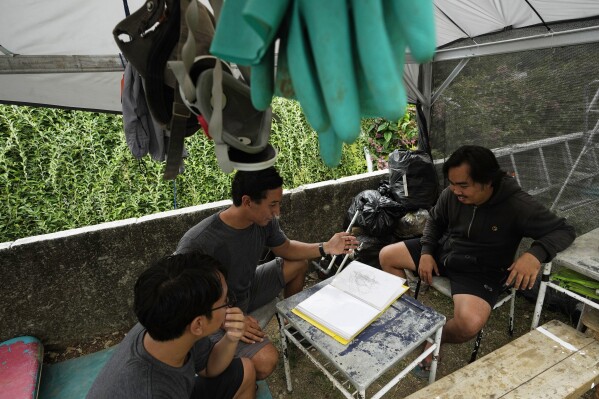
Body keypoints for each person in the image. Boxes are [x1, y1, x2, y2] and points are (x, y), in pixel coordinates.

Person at [379, 145, 575, 375]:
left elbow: (564, 230)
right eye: (452, 183)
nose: (455, 191)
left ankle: (434, 338)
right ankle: (408, 320)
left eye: (463, 185)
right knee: (387, 256)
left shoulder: (517, 204)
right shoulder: (451, 195)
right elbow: (435, 219)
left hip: (480, 270)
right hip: (446, 252)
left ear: (488, 181)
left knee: (468, 324)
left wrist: (535, 254)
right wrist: (426, 252)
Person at [175, 166, 359, 379]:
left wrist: (325, 247)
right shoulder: (198, 241)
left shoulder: (263, 222)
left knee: (298, 263)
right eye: (272, 204)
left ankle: (292, 327)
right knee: (266, 361)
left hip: (248, 289)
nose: (277, 212)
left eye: (278, 204)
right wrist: (228, 317)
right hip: (215, 312)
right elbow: (184, 298)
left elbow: (286, 248)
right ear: (247, 201)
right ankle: (232, 378)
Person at [87, 252, 256, 399]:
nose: (229, 306)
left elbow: (208, 367)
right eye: (225, 301)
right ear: (198, 324)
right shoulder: (149, 391)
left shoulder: (169, 323)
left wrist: (231, 338)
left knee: (245, 371)